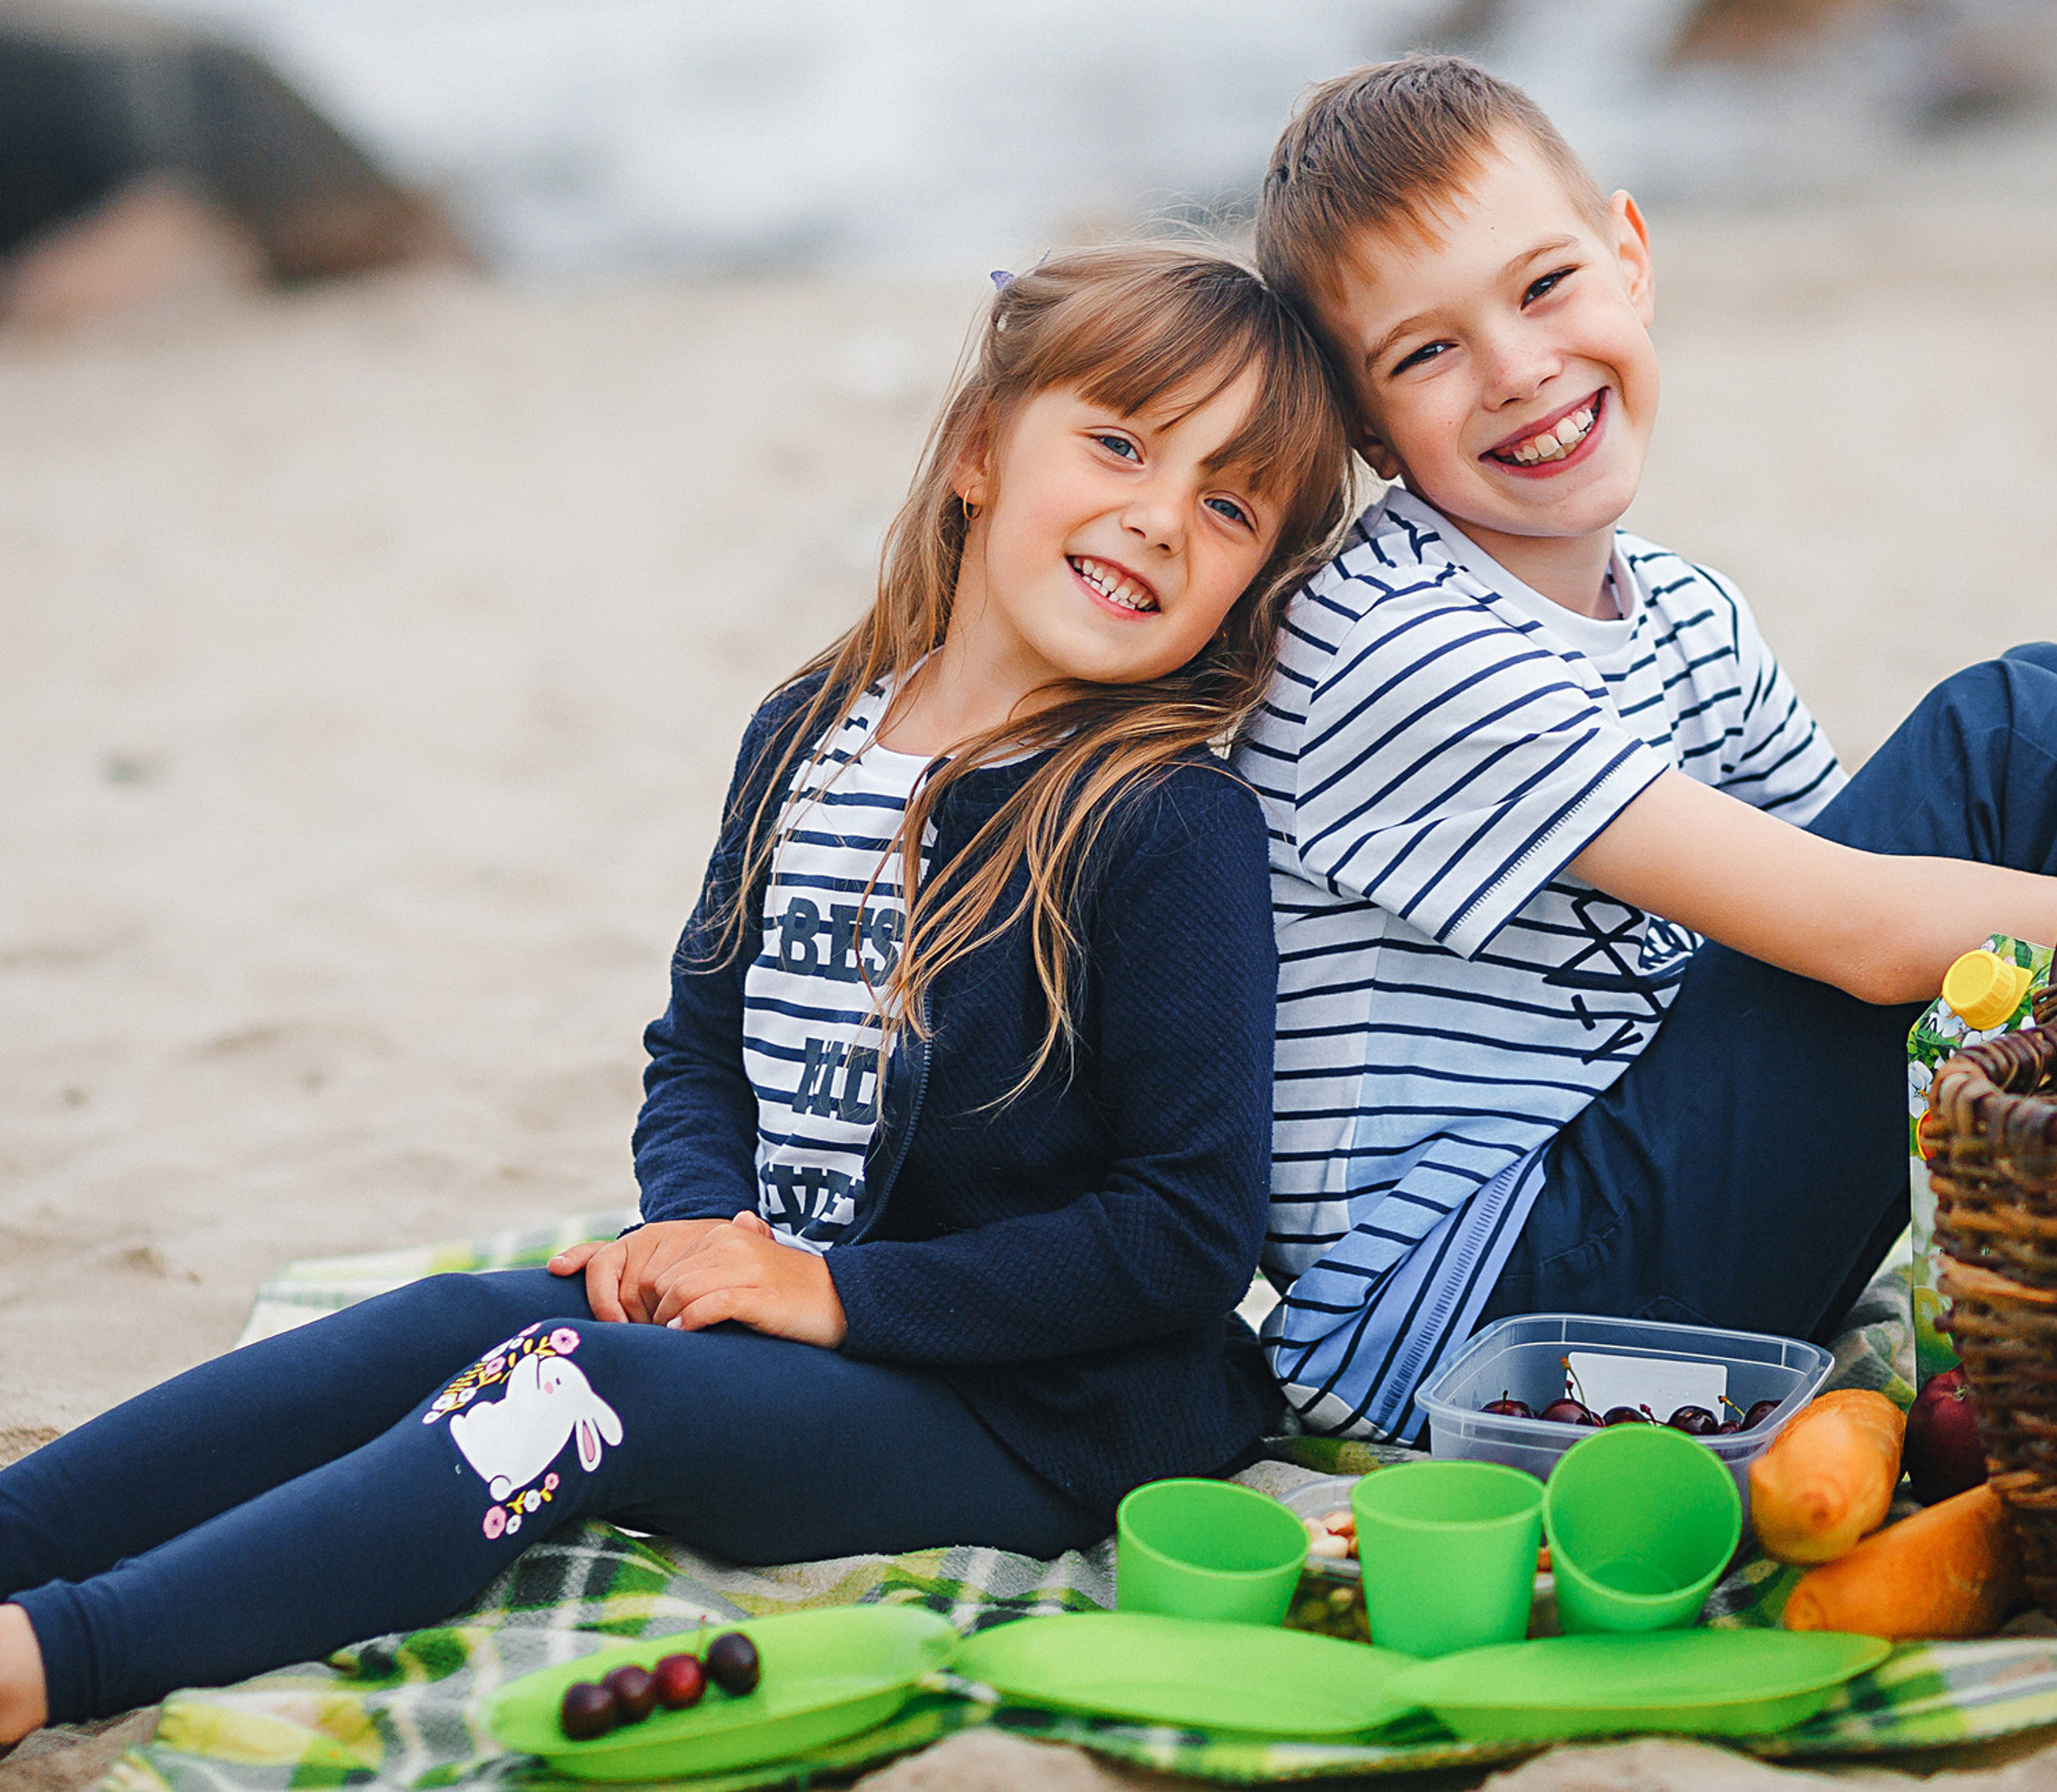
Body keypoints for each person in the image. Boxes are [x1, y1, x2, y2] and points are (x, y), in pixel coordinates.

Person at [0, 245, 1352, 1734]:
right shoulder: (807, 734)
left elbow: (1183, 1234)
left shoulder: (1166, 826)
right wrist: (701, 1225)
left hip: (1033, 1412)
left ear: (1247, 585)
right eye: (1121, 444)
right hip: (794, 1311)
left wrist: (831, 1293)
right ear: (980, 448)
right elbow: (701, 1047)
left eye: (1229, 506)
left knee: (577, 1391)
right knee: (434, 1326)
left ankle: (53, 1658)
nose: (1160, 516)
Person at [1237, 55, 2057, 1441]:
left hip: (1629, 1233)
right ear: (1362, 426)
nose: (1519, 371)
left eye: (1545, 286)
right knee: (2010, 739)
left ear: (1630, 256)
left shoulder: (1681, 613)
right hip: (1486, 1328)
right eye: (1426, 353)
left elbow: (1894, 888)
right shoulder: (1389, 635)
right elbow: (1876, 945)